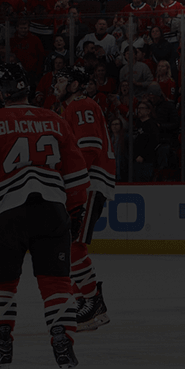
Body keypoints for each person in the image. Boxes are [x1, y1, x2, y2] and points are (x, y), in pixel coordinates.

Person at [0, 64, 88, 369]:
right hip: (53, 210)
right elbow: (76, 174)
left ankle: (2, 341)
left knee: (1, 284)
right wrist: (74, 211)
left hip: (9, 213)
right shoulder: (55, 119)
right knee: (56, 283)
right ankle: (62, 337)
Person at [52, 66, 116, 331]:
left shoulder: (81, 104)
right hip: (83, 182)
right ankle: (84, 302)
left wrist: (71, 181)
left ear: (75, 85)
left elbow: (89, 148)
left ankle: (93, 302)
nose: (56, 85)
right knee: (70, 244)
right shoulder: (70, 108)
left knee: (74, 244)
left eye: (61, 80)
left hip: (88, 183)